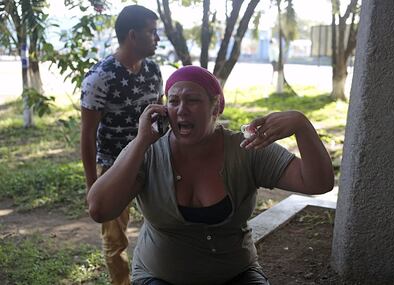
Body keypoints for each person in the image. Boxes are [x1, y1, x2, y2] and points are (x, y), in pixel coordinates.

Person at [87, 65, 334, 285]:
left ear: (216, 107)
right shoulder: (148, 151)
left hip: (236, 273)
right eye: (173, 101)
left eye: (193, 100)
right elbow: (100, 209)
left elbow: (318, 182)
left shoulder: (246, 149)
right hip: (159, 276)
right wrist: (140, 142)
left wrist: (302, 126)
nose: (181, 110)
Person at [80, 5, 163, 285]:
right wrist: (93, 186)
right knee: (115, 241)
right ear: (132, 35)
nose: (157, 38)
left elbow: (160, 118)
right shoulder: (100, 77)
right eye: (152, 32)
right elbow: (88, 134)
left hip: (153, 161)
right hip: (114, 166)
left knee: (165, 224)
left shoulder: (153, 70)